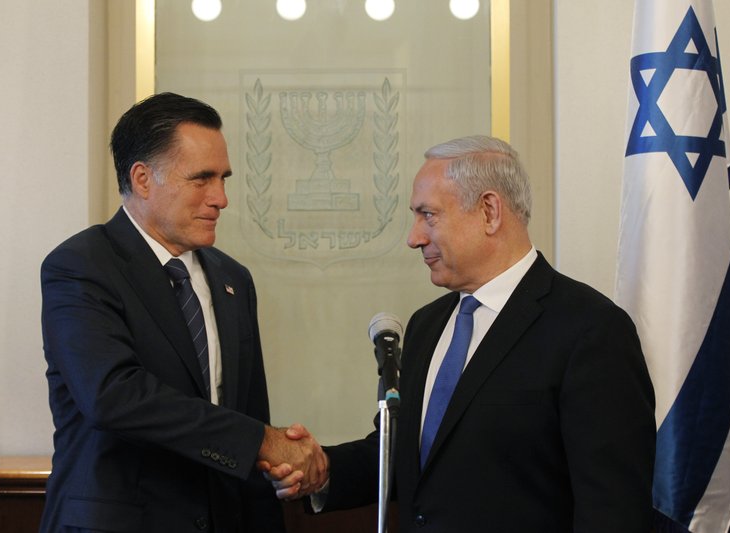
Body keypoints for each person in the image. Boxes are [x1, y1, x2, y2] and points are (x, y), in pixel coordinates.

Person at [265, 135, 656, 532]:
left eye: (428, 215)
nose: (414, 237)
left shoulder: (590, 330)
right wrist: (320, 468)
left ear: (489, 211)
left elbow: (613, 510)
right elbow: (410, 456)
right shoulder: (426, 325)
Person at [40, 92, 327, 532]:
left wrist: (270, 457)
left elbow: (247, 413)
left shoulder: (233, 279)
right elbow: (112, 397)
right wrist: (261, 442)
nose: (221, 198)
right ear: (142, 179)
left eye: (224, 179)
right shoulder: (82, 266)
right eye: (202, 179)